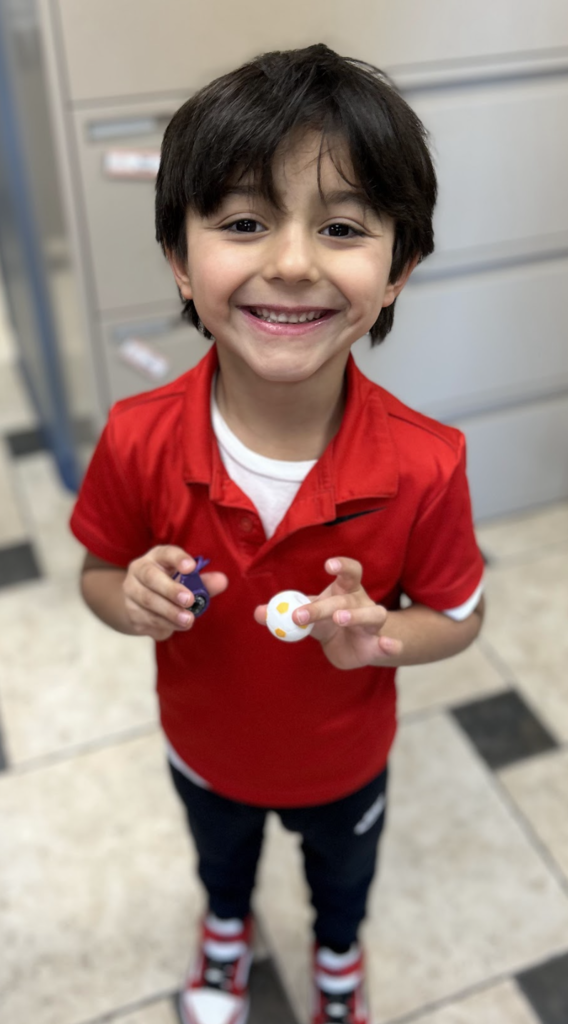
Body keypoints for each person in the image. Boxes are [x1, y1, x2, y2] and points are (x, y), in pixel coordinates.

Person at [70, 43, 485, 1024]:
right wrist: (127, 597)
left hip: (346, 760)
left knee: (343, 880)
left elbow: (457, 617)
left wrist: (380, 636)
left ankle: (338, 961)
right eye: (245, 221)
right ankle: (225, 934)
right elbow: (96, 569)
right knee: (220, 860)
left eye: (341, 227)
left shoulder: (427, 462)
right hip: (203, 747)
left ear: (396, 272)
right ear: (180, 256)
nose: (292, 262)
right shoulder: (137, 437)